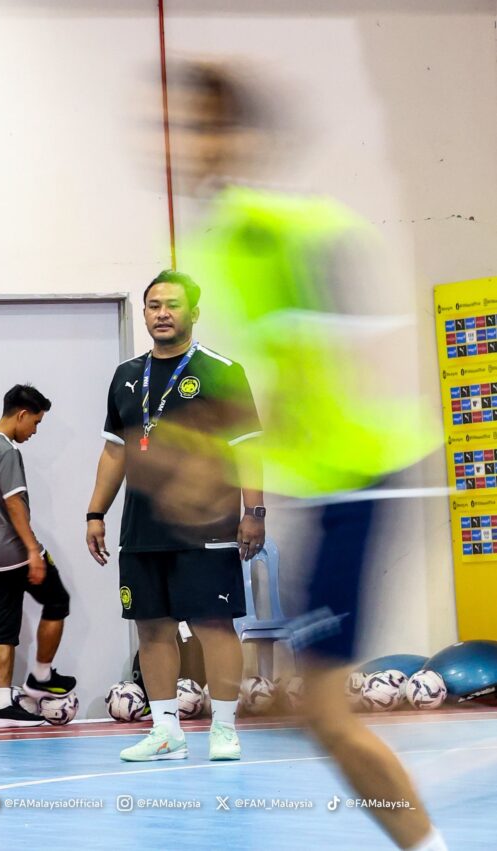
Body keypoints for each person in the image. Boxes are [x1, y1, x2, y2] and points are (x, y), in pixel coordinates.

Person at [144, 59, 446, 851]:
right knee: (317, 715)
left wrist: (203, 452)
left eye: (193, 125)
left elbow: (315, 375)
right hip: (333, 488)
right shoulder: (234, 241)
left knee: (323, 713)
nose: (174, 142)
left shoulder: (277, 233)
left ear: (237, 137)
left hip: (360, 480)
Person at [86, 269, 264, 761]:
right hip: (142, 529)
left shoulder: (222, 371)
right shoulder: (125, 376)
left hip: (205, 527)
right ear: (144, 313)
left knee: (214, 624)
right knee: (151, 625)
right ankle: (166, 731)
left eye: (172, 305)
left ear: (194, 313)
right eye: (153, 305)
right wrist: (95, 512)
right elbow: (115, 452)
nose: (162, 313)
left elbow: (249, 448)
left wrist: (256, 511)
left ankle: (224, 728)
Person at [0, 384, 76, 728]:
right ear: (21, 414)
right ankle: (41, 677)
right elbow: (14, 503)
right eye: (35, 422)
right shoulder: (6, 451)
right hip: (15, 552)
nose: (33, 431)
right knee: (58, 600)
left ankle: (0, 705)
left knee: (6, 627)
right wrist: (33, 551)